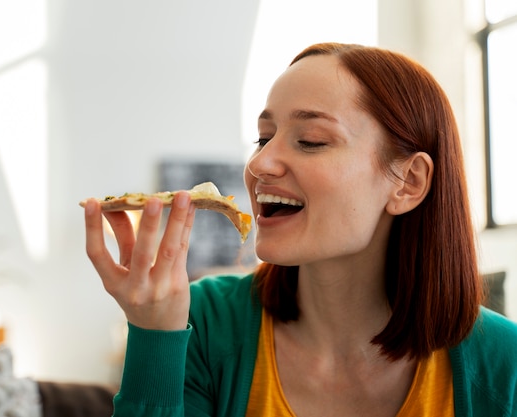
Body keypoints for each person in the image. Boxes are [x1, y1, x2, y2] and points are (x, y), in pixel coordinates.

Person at [84, 42, 517, 416]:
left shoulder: (504, 363)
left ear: (409, 182)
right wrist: (156, 337)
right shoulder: (202, 324)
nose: (259, 164)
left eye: (310, 140)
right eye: (263, 138)